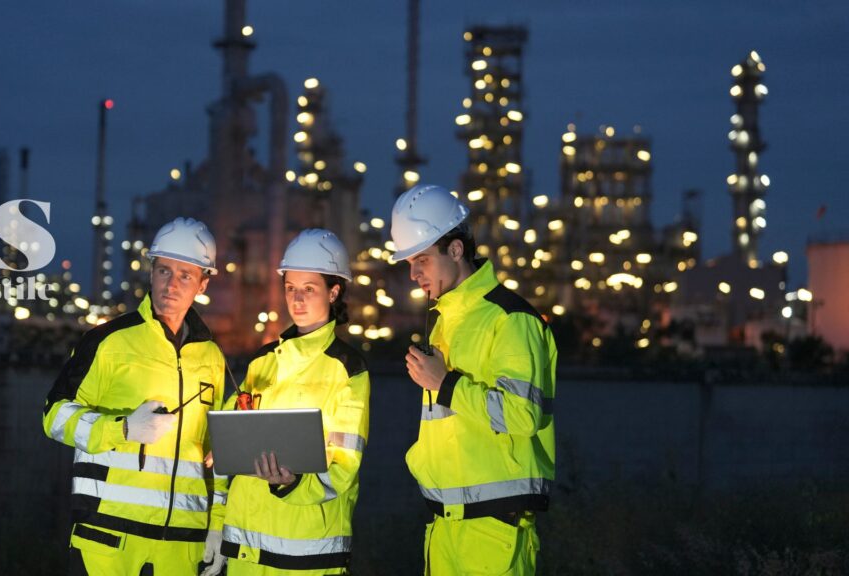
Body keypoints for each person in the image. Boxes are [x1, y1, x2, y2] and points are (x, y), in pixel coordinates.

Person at [42, 216, 228, 576]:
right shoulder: (108, 341)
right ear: (151, 272)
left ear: (203, 282)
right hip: (108, 544)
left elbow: (216, 453)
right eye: (163, 271)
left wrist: (218, 525)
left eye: (185, 275)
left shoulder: (212, 359)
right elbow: (54, 416)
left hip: (181, 549)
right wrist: (123, 429)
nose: (171, 284)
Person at [389, 184, 558, 576]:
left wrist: (445, 384)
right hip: (445, 526)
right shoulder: (445, 322)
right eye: (409, 263)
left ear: (455, 250)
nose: (413, 274)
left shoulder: (510, 318)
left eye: (422, 261)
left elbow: (522, 415)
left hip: (493, 531)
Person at [203, 229, 370, 576]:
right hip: (244, 551)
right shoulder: (261, 362)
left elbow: (344, 469)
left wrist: (291, 482)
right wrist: (217, 525)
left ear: (333, 291)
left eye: (309, 289)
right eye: (291, 288)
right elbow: (225, 443)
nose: (297, 299)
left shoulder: (348, 369)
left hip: (306, 555)